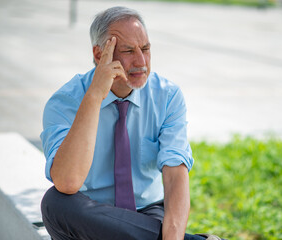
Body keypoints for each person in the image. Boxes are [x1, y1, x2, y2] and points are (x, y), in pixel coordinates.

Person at [40, 6, 222, 240]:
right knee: (55, 203)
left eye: (145, 49)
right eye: (128, 51)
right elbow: (67, 182)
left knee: (146, 226)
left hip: (146, 213)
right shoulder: (65, 102)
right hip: (88, 216)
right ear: (99, 55)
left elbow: (176, 175)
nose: (141, 61)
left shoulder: (166, 96)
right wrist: (95, 96)